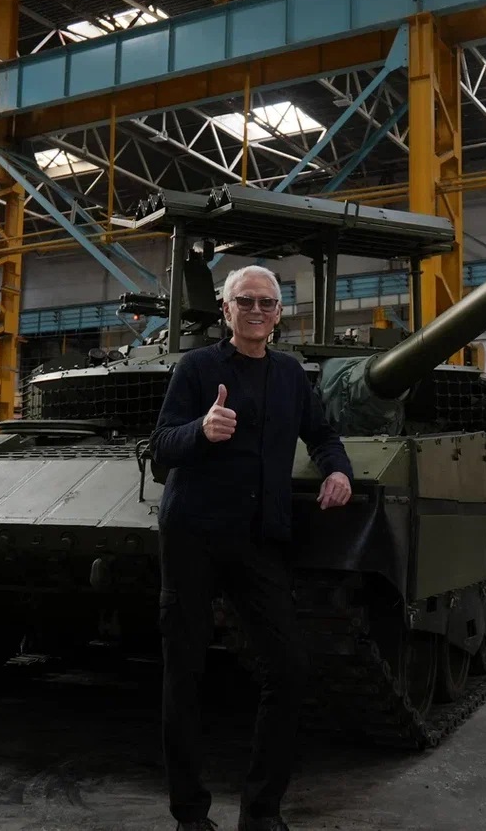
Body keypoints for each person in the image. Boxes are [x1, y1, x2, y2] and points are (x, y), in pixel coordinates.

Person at [150, 264, 354, 831]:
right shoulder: (196, 368)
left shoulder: (290, 375)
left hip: (258, 538)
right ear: (226, 309)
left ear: (280, 313)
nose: (256, 310)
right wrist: (201, 430)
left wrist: (338, 470)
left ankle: (262, 812)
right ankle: (190, 815)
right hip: (193, 536)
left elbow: (322, 435)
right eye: (246, 301)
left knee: (289, 669)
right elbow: (161, 444)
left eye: (267, 302)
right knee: (185, 675)